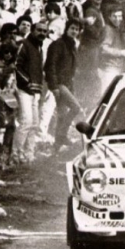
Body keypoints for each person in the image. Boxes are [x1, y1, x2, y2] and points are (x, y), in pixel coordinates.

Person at [45, 17, 84, 152]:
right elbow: (50, 66)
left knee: (62, 113)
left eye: (77, 29)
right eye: (72, 28)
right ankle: (62, 136)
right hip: (59, 83)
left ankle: (56, 147)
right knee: (76, 108)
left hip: (67, 83)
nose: (74, 31)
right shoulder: (58, 44)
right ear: (66, 29)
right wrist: (54, 86)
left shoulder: (72, 45)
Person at [13, 20, 48, 164]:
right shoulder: (24, 44)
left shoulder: (39, 47)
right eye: (39, 30)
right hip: (24, 90)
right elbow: (17, 66)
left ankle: (29, 154)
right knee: (26, 122)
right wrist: (27, 83)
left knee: (34, 123)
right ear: (32, 31)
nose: (42, 34)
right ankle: (16, 154)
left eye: (44, 31)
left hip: (35, 91)